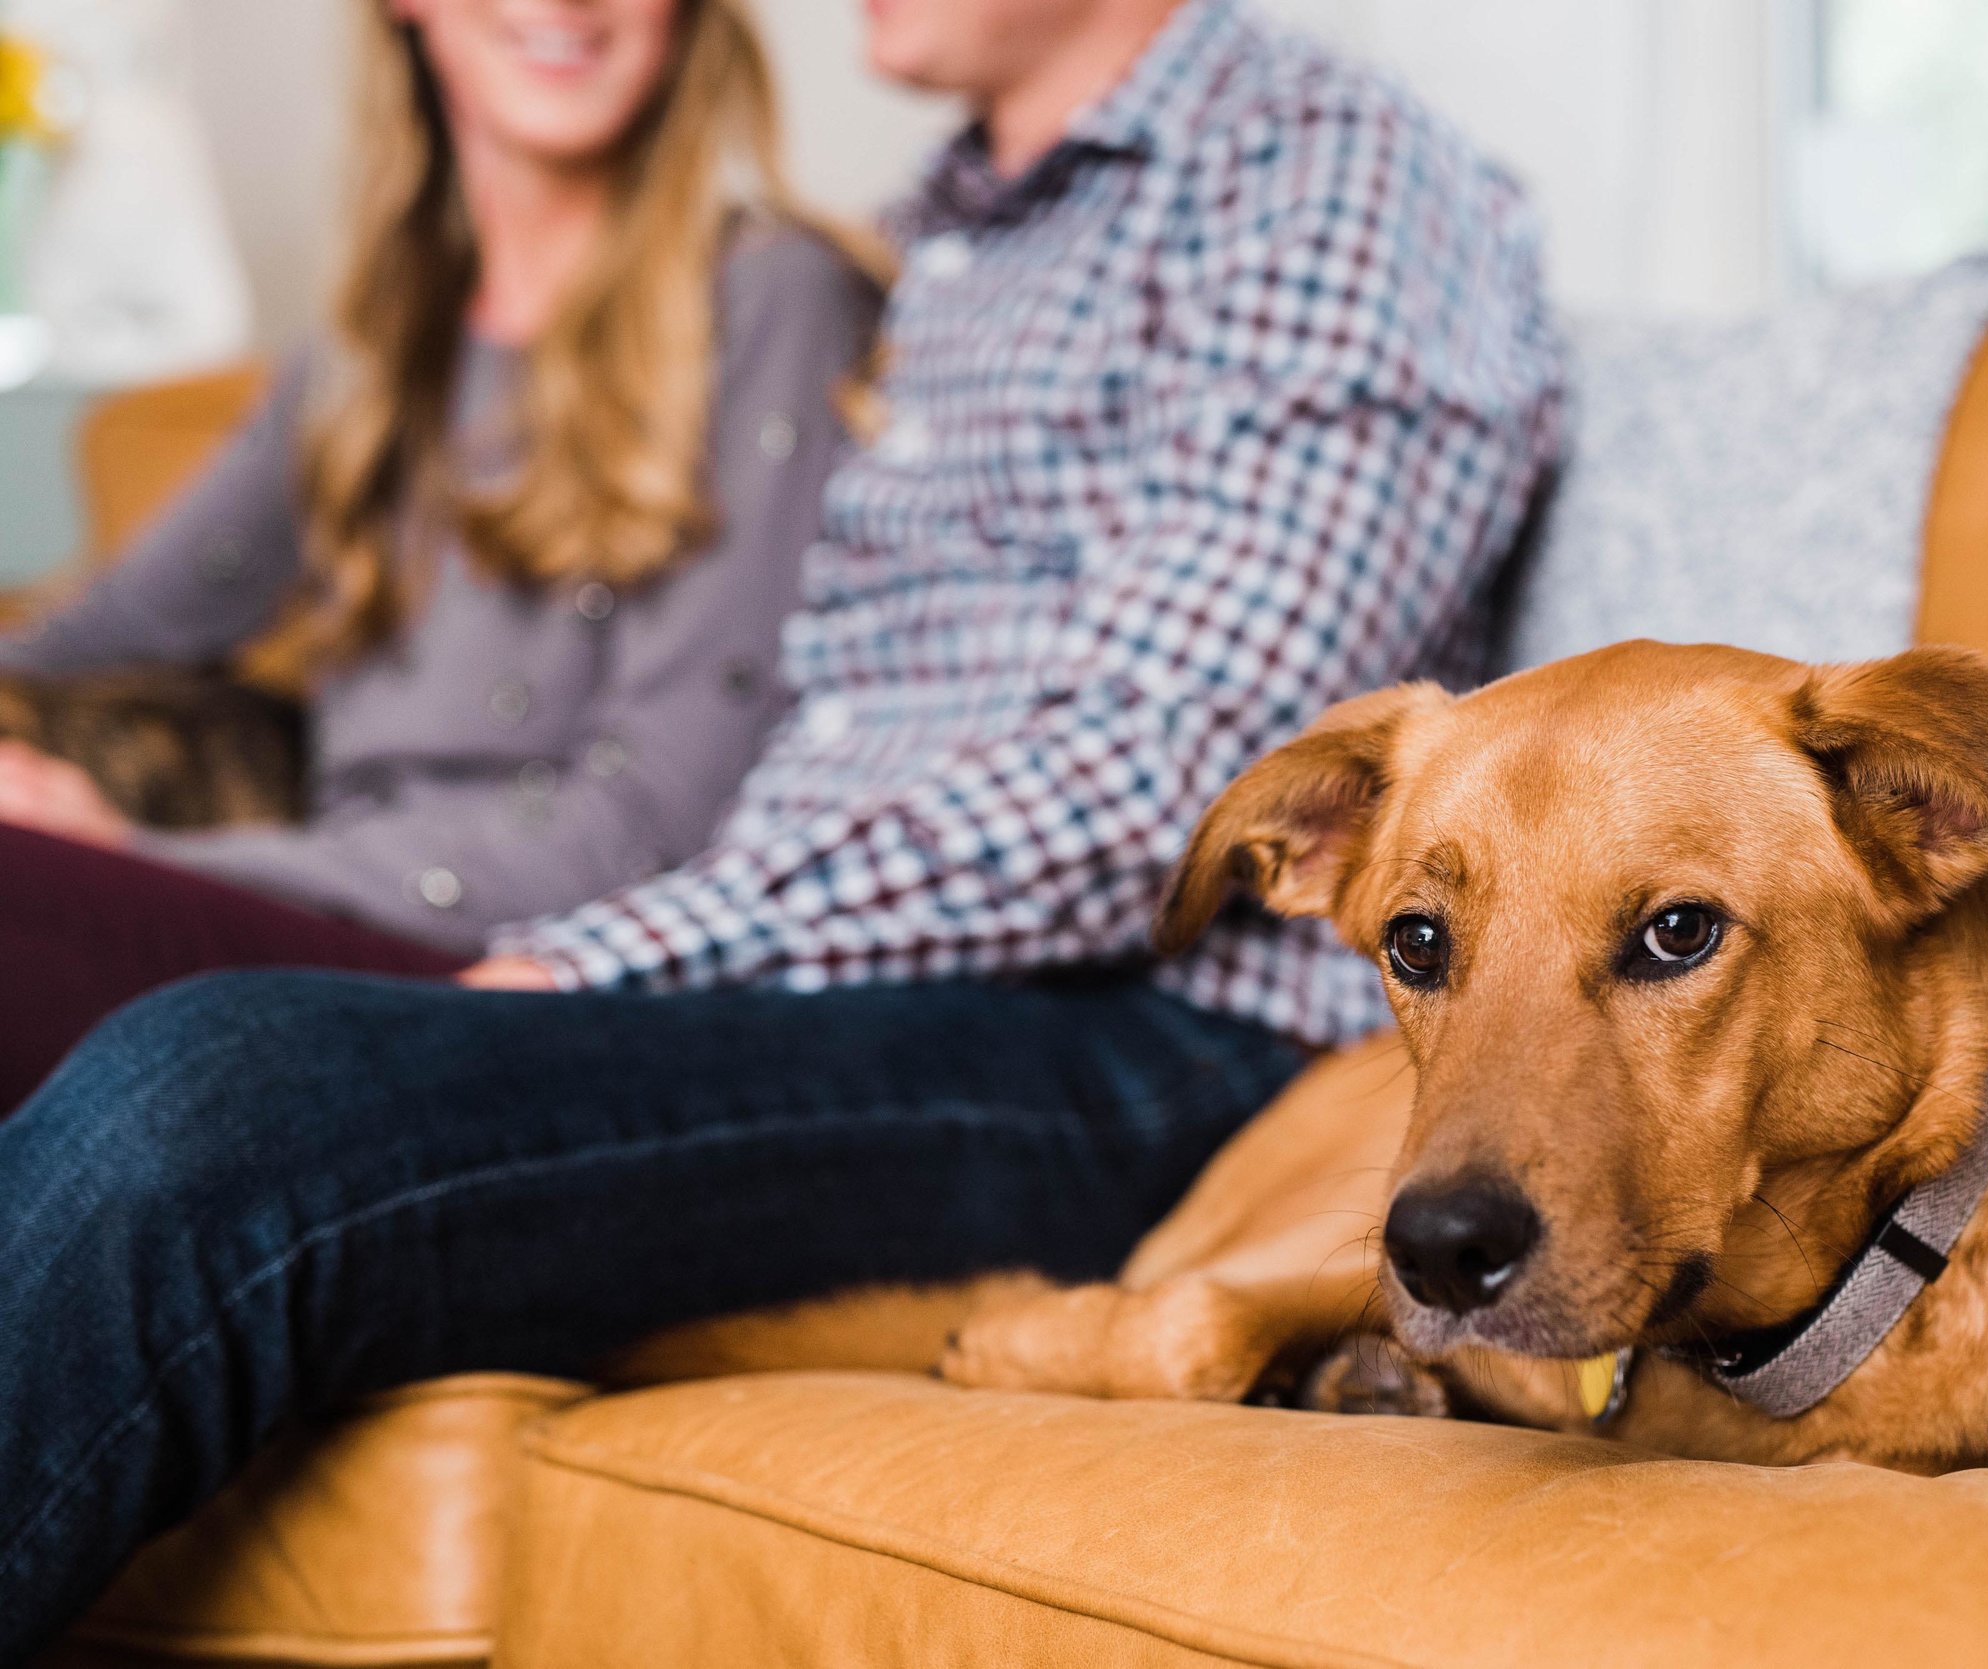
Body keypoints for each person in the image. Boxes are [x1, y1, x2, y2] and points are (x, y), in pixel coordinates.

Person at [0, 0, 1564, 1655]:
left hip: (1144, 1033)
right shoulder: (950, 236)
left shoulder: (1315, 179)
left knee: (220, 1097)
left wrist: (608, 955)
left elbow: (1157, 780)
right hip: (827, 992)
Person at [0, 0, 880, 1109]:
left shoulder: (773, 295)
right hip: (313, 918)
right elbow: (94, 631)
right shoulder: (370, 353)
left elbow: (651, 827)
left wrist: (138, 857)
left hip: (525, 975)